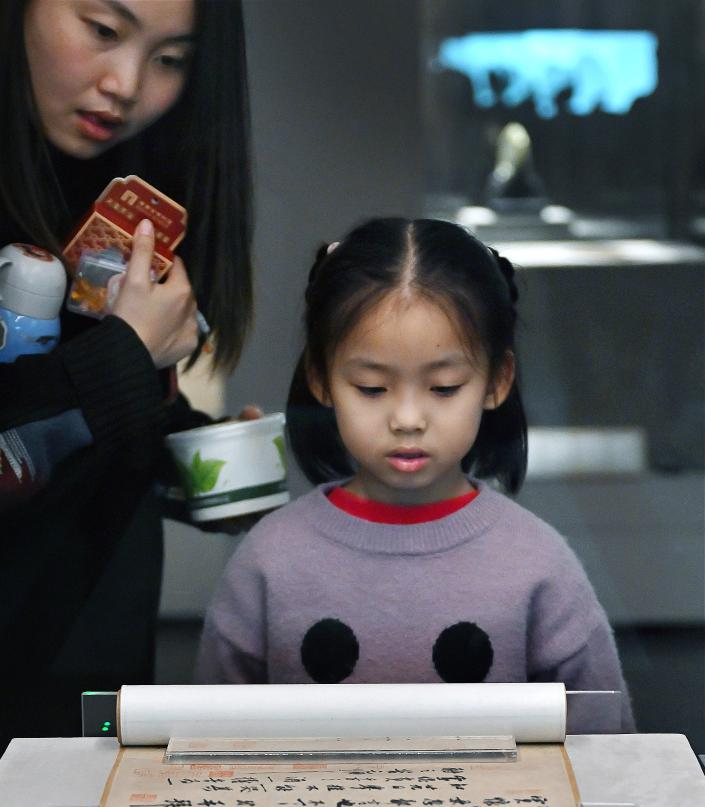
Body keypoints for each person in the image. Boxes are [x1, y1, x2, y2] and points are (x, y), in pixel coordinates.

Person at [196, 217, 635, 732]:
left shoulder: (538, 564)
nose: (407, 419)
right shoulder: (270, 559)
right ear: (321, 379)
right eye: (372, 388)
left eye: (444, 388)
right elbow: (204, 741)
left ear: (497, 381)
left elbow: (608, 746)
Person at [0, 0, 253, 749]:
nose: (127, 84)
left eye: (172, 59)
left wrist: (196, 465)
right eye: (104, 31)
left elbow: (71, 419)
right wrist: (125, 356)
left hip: (90, 678)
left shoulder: (121, 198)